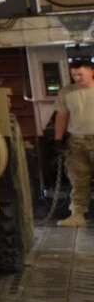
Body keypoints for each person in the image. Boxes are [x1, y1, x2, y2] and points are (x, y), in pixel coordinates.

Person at [51, 57, 94, 228]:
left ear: (91, 72)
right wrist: (58, 139)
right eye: (75, 75)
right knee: (78, 179)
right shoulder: (67, 92)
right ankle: (77, 214)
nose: (78, 78)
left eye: (81, 74)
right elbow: (61, 116)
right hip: (77, 141)